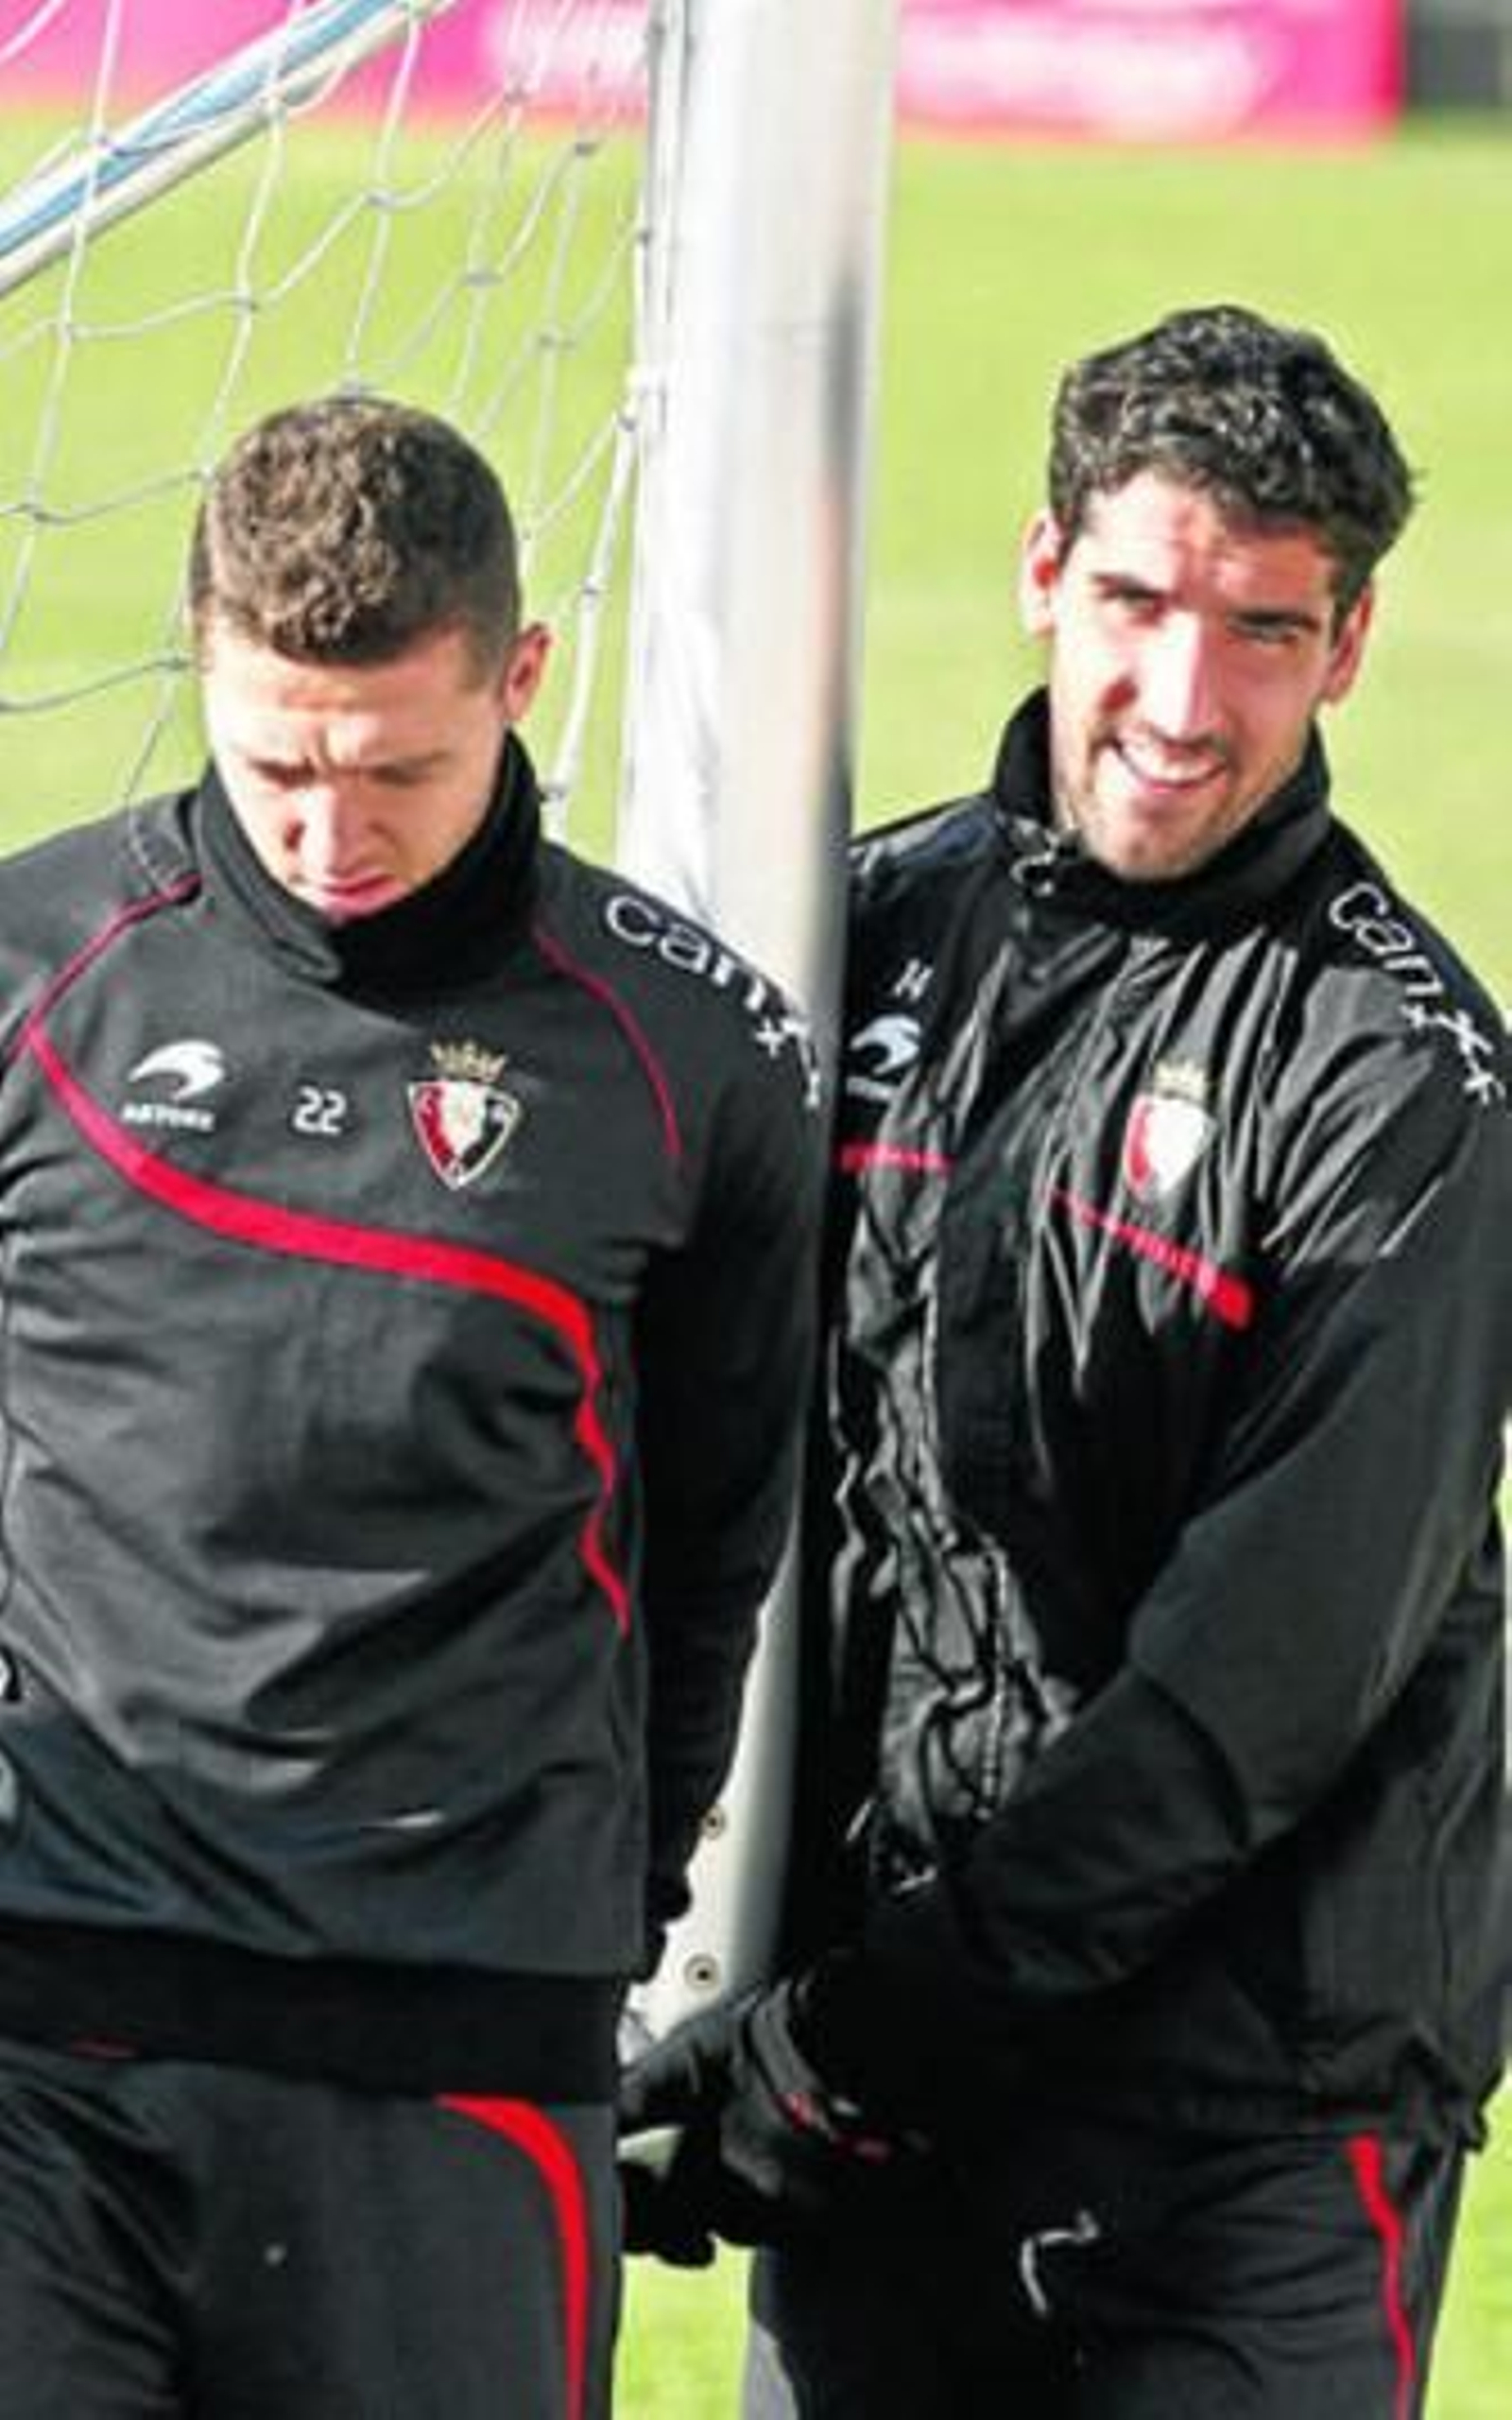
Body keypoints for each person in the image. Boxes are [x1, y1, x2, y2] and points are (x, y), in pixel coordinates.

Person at [619, 303, 1511, 2416]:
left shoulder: (1400, 1086)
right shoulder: (862, 932)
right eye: (1133, 600)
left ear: (1349, 643)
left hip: (1239, 2137)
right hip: (891, 2095)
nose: (1181, 699)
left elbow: (1238, 1705)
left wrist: (842, 2049)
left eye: (1261, 631)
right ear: (1041, 569)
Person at [0, 393, 822, 2418]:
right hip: (45, 2009)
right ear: (199, 651)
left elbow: (714, 1537)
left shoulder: (688, 1055)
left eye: (396, 766)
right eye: (275, 758)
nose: (326, 827)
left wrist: (590, 1919)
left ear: (520, 676)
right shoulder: (36, 978)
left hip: (458, 2032)